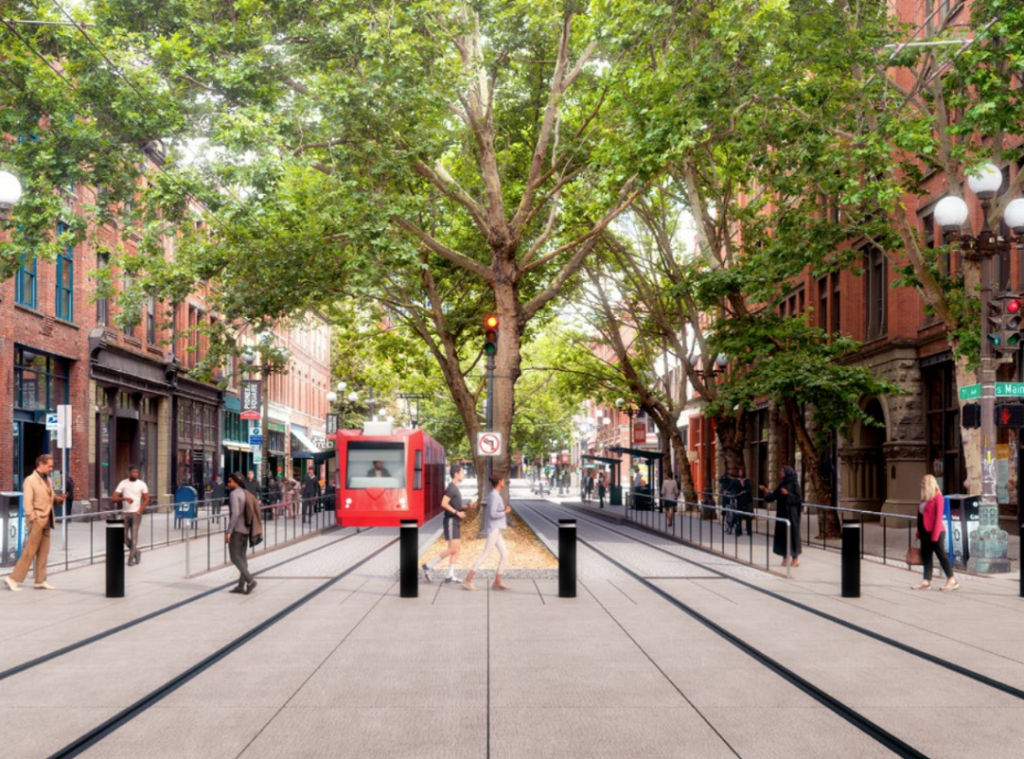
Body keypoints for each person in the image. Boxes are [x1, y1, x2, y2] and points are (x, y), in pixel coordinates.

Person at [5, 454, 65, 591]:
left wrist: (60, 500)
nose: (51, 469)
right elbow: (27, 502)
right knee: (30, 551)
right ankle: (12, 578)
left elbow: (52, 498)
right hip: (37, 519)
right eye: (49, 466)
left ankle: (40, 580)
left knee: (44, 552)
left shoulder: (48, 480)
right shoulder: (30, 480)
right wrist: (32, 517)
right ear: (41, 464)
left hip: (48, 520)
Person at [423, 465, 477, 582]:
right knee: (453, 549)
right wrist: (457, 512)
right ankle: (428, 566)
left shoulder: (455, 488)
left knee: (456, 549)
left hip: (455, 520)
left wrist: (468, 506)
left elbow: (455, 505)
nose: (463, 474)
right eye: (462, 472)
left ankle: (450, 575)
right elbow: (444, 503)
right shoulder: (451, 488)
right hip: (451, 521)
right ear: (456, 474)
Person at [462, 476, 512, 591]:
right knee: (485, 554)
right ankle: (467, 580)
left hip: (497, 529)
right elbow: (493, 514)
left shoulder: (493, 495)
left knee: (504, 555)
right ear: (499, 481)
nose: (504, 481)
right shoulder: (494, 496)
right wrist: (505, 512)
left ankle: (497, 582)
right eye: (503, 480)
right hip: (494, 529)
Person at [913, 475, 959, 591]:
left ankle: (951, 579)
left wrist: (935, 535)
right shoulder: (924, 498)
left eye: (924, 482)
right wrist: (919, 532)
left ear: (930, 483)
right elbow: (921, 516)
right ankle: (926, 581)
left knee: (941, 556)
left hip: (936, 532)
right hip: (924, 532)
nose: (921, 484)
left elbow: (939, 518)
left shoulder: (938, 497)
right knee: (926, 556)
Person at [760, 466, 802, 568]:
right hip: (782, 513)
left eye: (782, 471)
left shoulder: (794, 484)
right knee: (783, 535)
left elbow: (798, 498)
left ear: (787, 472)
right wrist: (766, 491)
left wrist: (788, 494)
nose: (780, 472)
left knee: (792, 535)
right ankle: (785, 557)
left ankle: (795, 559)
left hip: (791, 514)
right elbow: (774, 496)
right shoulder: (782, 484)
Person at [111, 466, 149, 567]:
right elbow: (113, 498)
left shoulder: (142, 484)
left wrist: (140, 511)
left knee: (134, 535)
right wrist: (124, 498)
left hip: (136, 513)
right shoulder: (123, 483)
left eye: (137, 472)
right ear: (129, 473)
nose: (136, 474)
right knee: (121, 536)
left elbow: (146, 499)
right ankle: (136, 551)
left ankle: (131, 558)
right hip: (125, 513)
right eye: (133, 472)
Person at [225, 473, 257, 594]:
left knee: (234, 557)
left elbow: (235, 513)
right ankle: (240, 586)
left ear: (236, 482)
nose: (228, 483)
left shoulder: (234, 494)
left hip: (237, 530)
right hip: (246, 529)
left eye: (229, 481)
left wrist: (229, 531)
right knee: (242, 558)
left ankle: (250, 581)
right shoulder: (245, 493)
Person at [734, 467, 753, 537]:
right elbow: (734, 489)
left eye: (741, 471)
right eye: (739, 472)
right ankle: (739, 530)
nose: (740, 473)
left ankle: (749, 531)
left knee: (748, 515)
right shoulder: (736, 481)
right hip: (740, 499)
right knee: (739, 516)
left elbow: (750, 488)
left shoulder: (747, 480)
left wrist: (746, 491)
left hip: (747, 499)